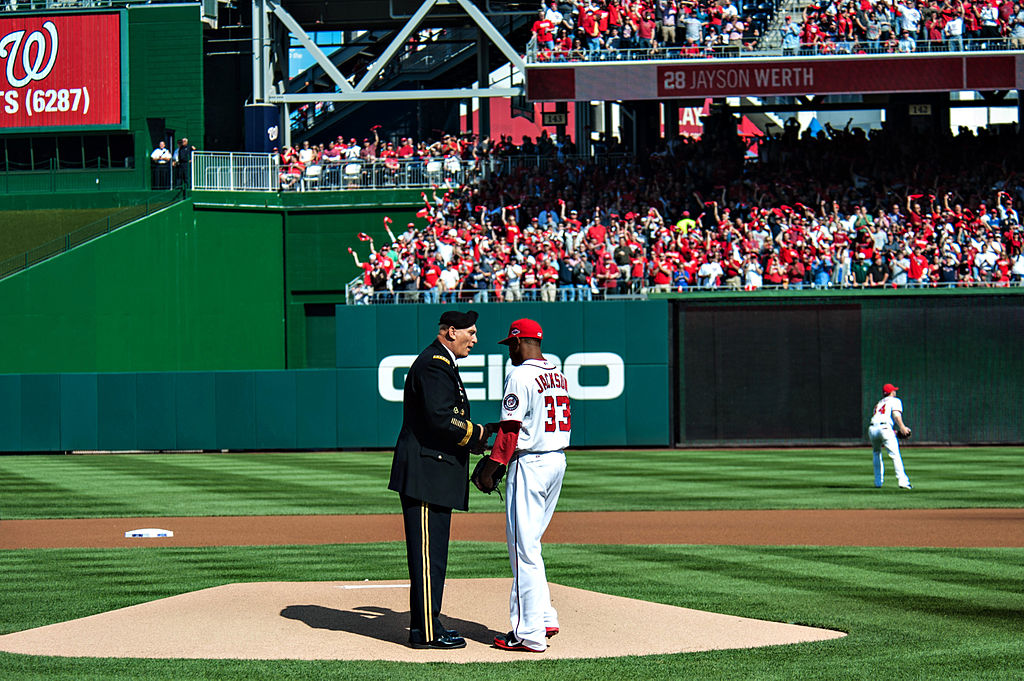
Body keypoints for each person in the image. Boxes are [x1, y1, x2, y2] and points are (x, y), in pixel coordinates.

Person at [388, 310, 493, 650]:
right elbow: (439, 419)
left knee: (434, 556)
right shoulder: (434, 363)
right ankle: (425, 633)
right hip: (425, 474)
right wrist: (479, 434)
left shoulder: (441, 362)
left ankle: (428, 624)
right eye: (470, 333)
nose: (474, 340)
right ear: (451, 331)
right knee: (427, 557)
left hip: (433, 473)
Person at [474, 318, 571, 653]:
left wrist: (493, 466)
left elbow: (513, 427)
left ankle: (528, 633)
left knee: (523, 548)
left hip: (530, 464)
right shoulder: (556, 373)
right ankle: (544, 616)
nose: (509, 351)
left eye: (509, 345)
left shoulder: (519, 374)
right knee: (531, 544)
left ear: (518, 342)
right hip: (556, 460)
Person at [868, 383, 913, 489]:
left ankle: (878, 482)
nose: (895, 392)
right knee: (895, 455)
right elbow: (896, 416)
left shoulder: (878, 403)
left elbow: (880, 420)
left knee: (876, 453)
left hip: (872, 429)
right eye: (894, 390)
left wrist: (895, 432)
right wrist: (902, 427)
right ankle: (903, 482)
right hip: (884, 428)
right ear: (892, 392)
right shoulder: (895, 400)